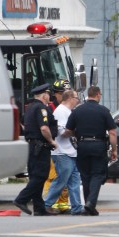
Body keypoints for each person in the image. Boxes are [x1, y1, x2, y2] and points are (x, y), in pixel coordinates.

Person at [64, 85, 117, 216]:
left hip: (82, 146)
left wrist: (77, 137)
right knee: (97, 175)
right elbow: (112, 133)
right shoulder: (104, 111)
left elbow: (68, 131)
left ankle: (89, 207)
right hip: (98, 145)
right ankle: (90, 203)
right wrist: (114, 149)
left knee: (86, 176)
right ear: (98, 94)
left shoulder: (77, 111)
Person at [13, 83, 58, 216]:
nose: (49, 96)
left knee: (35, 175)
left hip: (32, 146)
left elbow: (22, 123)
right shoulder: (41, 108)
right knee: (40, 176)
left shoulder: (30, 108)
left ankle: (39, 208)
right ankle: (21, 199)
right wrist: (51, 141)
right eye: (48, 94)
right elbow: (44, 128)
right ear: (44, 95)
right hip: (41, 146)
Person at [43, 89, 84, 215]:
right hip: (61, 152)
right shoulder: (61, 111)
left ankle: (77, 207)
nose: (78, 100)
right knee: (62, 179)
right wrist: (77, 130)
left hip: (70, 151)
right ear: (70, 98)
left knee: (74, 180)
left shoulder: (69, 111)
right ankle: (47, 204)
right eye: (76, 97)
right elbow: (61, 132)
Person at [43, 78, 73, 213]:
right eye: (63, 93)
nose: (65, 96)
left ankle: (62, 204)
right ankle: (50, 204)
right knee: (53, 176)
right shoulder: (50, 109)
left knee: (64, 177)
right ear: (56, 93)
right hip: (53, 148)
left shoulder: (67, 108)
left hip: (65, 148)